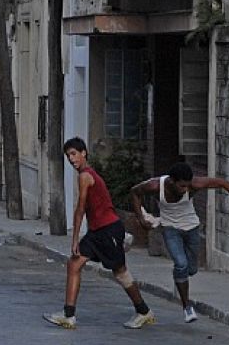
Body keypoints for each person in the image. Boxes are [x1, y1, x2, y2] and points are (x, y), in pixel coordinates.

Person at [44, 137, 155, 330]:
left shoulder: (85, 176)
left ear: (84, 153)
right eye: (68, 156)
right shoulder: (86, 174)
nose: (71, 159)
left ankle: (144, 311)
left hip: (108, 230)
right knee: (74, 263)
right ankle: (68, 315)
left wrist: (75, 238)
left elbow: (81, 208)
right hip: (97, 232)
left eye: (74, 154)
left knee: (120, 272)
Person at [131, 161, 229, 323]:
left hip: (191, 227)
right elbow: (135, 192)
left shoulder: (195, 185)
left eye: (187, 186)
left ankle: (180, 279)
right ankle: (187, 307)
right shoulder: (155, 186)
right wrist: (141, 217)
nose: (185, 190)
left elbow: (223, 183)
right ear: (172, 181)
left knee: (190, 269)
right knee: (181, 264)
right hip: (170, 228)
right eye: (182, 186)